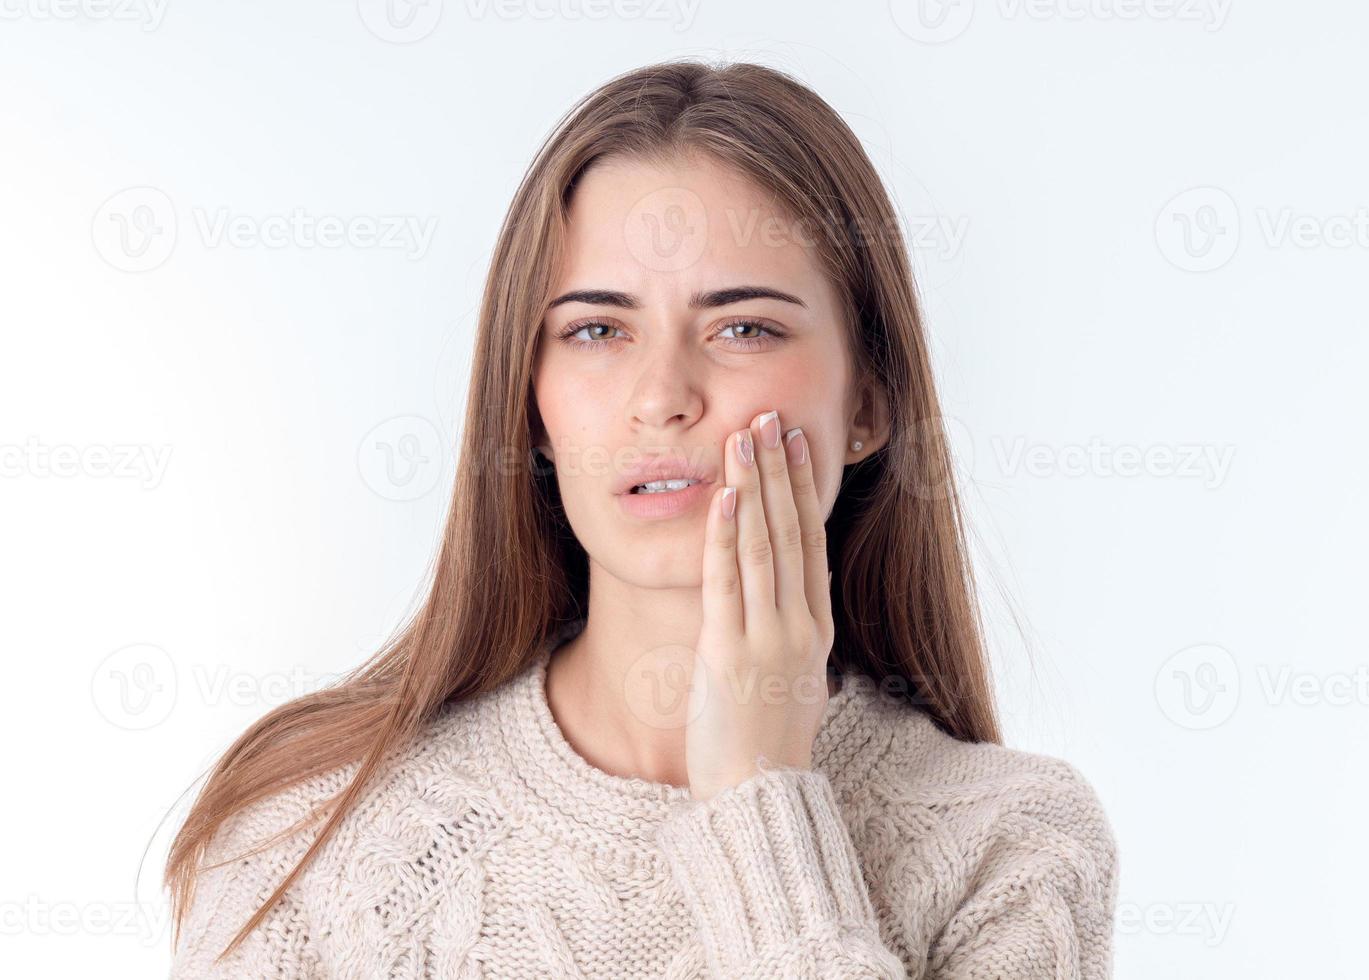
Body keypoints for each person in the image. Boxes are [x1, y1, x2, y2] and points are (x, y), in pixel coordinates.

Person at [165, 59, 1119, 979]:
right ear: (530, 401)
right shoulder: (305, 837)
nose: (661, 396)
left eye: (743, 327)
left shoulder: (1016, 847)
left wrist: (759, 798)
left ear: (867, 403)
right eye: (596, 331)